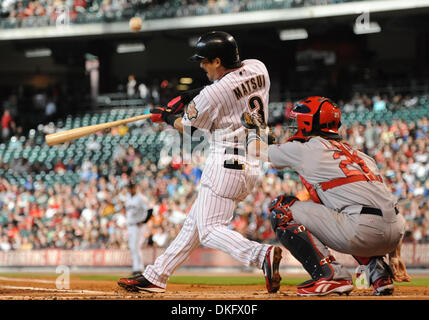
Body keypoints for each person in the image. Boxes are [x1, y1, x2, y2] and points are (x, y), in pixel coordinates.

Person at [118, 31, 282, 294]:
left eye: (205, 61)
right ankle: (156, 275)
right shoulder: (257, 67)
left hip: (225, 163)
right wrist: (188, 97)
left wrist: (166, 117)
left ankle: (260, 255)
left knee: (208, 230)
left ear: (217, 61)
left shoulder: (212, 94)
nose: (202, 66)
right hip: (253, 160)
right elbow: (226, 86)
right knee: (194, 224)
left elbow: (189, 128)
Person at [242, 96, 411, 296]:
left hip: (363, 231)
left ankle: (330, 276)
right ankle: (379, 274)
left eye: (298, 121)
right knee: (343, 208)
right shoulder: (361, 155)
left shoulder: (306, 149)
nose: (295, 126)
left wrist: (254, 132)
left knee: (281, 208)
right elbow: (385, 202)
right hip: (396, 232)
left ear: (307, 122)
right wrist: (395, 253)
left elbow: (255, 151)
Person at [125, 181, 153, 276]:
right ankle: (136, 268)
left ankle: (139, 268)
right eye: (129, 187)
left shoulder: (141, 198)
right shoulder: (128, 197)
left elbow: (150, 210)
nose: (130, 189)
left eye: (131, 187)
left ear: (135, 188)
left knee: (136, 247)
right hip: (130, 225)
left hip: (138, 226)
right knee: (133, 247)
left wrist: (144, 221)